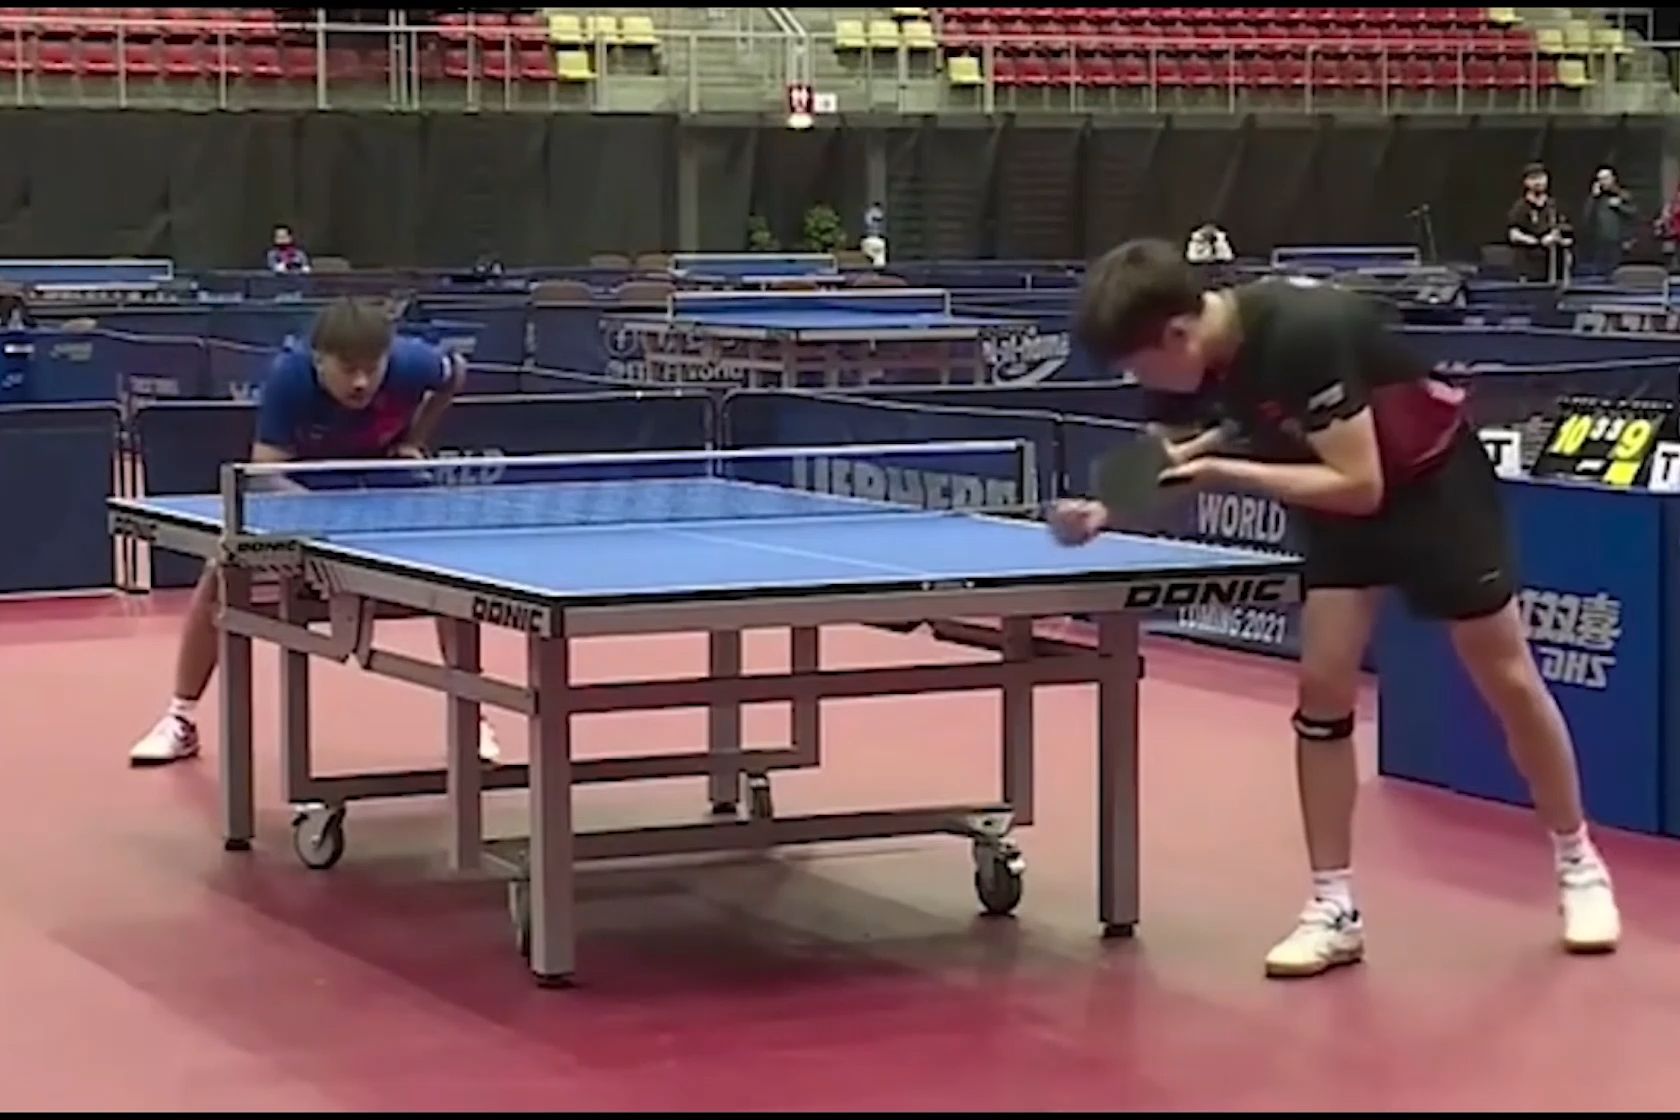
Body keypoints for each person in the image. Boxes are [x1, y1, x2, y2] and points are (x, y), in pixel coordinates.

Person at [1050, 238, 1620, 978]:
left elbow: (1361, 484)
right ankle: (1333, 907)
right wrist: (1105, 506)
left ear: (1178, 334)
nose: (1136, 379)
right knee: (1321, 688)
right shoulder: (1188, 354)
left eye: (1136, 364)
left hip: (1430, 491)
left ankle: (1579, 865)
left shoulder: (1303, 333)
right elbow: (1176, 443)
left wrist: (1223, 470)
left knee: (1504, 675)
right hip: (1332, 502)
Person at [128, 297, 502, 767]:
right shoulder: (291, 377)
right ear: (320, 360)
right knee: (221, 571)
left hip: (380, 478)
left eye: (371, 369)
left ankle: (470, 717)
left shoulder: (412, 363)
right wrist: (321, 514)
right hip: (306, 483)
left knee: (450, 577)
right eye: (348, 370)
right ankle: (180, 719)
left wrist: (413, 440)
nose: (361, 382)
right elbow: (266, 471)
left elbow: (455, 375)